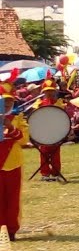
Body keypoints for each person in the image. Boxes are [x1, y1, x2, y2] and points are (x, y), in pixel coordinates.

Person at [0, 73, 30, 240]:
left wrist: (11, 128)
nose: (6, 105)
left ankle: (11, 229)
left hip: (13, 163)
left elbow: (24, 139)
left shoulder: (18, 118)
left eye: (9, 101)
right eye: (3, 102)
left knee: (12, 198)